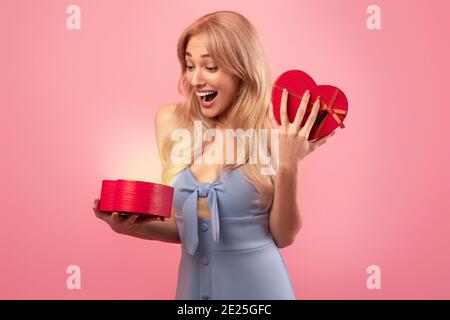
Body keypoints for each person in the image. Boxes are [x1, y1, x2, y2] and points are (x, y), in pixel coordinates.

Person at [92, 10, 334, 300]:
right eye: (189, 66)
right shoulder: (171, 122)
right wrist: (131, 229)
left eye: (209, 67)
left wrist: (289, 164)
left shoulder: (275, 127)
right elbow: (189, 227)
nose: (195, 80)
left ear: (241, 69)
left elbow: (284, 235)